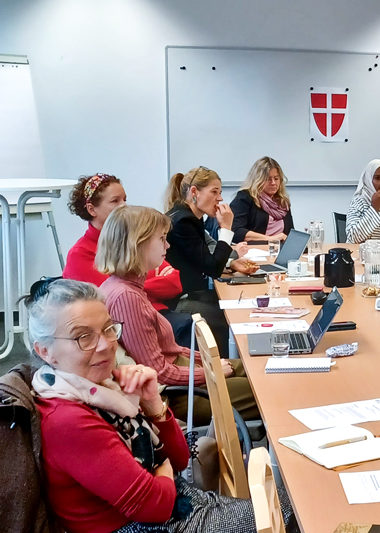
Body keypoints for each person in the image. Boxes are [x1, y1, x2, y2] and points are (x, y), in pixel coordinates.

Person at [26, 278, 322, 533]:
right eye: (83, 337)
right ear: (45, 351)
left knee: (290, 507)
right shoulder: (68, 420)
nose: (105, 345)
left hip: (172, 522)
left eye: (108, 329)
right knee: (301, 512)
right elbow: (156, 503)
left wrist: (152, 403)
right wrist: (162, 468)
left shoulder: (103, 391)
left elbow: (180, 460)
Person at [96, 205, 258, 425]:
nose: (168, 245)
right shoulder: (126, 296)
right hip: (178, 394)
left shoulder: (127, 286)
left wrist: (210, 361)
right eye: (161, 239)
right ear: (138, 243)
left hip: (183, 375)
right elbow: (157, 372)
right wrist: (208, 371)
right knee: (265, 387)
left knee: (258, 368)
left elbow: (167, 351)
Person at [62, 173, 192, 343]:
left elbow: (174, 282)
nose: (123, 205)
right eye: (115, 201)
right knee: (195, 325)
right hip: (123, 325)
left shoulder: (133, 240)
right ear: (92, 209)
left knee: (201, 322)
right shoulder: (80, 254)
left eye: (124, 199)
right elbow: (114, 297)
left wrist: (133, 286)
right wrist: (150, 280)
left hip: (153, 312)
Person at [164, 166, 258, 347]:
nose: (220, 198)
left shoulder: (190, 215)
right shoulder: (184, 221)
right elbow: (212, 268)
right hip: (182, 300)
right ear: (194, 192)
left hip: (192, 292)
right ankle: (229, 366)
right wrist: (226, 228)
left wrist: (230, 263)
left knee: (241, 305)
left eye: (220, 192)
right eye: (215, 192)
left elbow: (206, 258)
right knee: (236, 317)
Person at [230, 156, 294, 243]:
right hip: (255, 251)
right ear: (257, 180)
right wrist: (271, 239)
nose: (273, 183)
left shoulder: (283, 203)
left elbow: (290, 234)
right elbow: (235, 232)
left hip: (281, 250)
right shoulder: (245, 198)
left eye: (276, 178)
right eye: (268, 179)